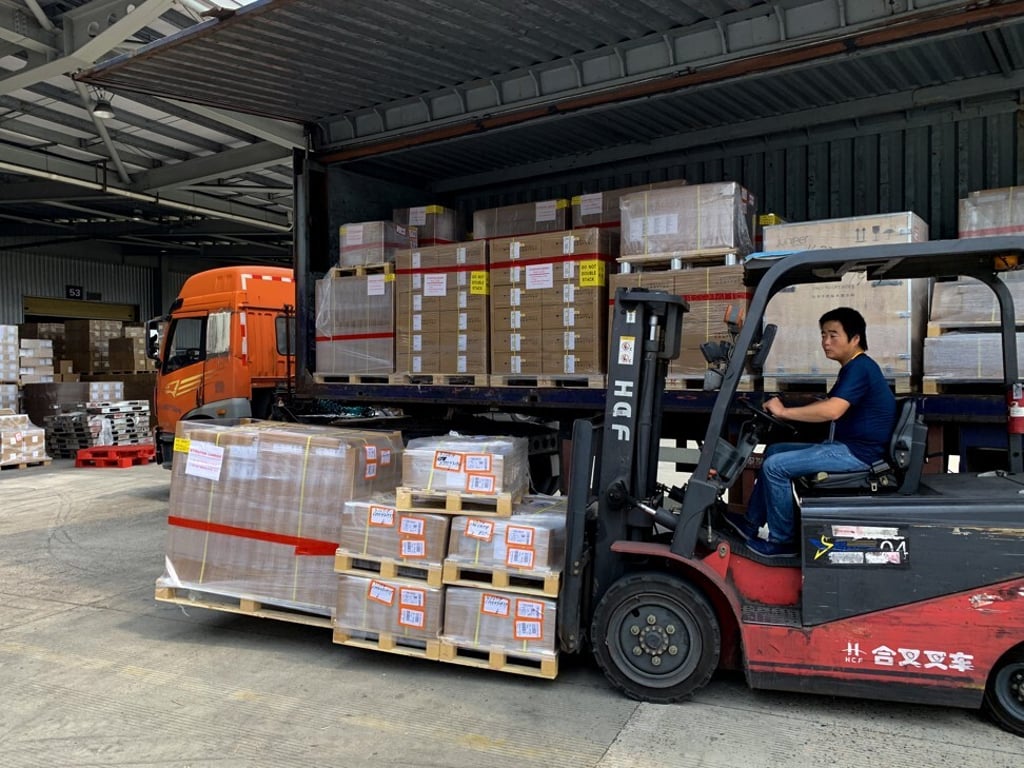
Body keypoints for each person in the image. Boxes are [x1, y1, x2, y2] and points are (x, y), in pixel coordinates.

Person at [723, 307, 896, 558]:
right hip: (848, 447)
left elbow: (833, 410)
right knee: (775, 451)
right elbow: (826, 404)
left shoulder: (861, 368)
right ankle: (750, 524)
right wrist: (789, 406)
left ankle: (783, 541)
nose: (826, 342)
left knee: (775, 467)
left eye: (833, 335)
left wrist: (784, 412)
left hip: (858, 454)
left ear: (855, 338)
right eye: (823, 335)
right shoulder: (853, 368)